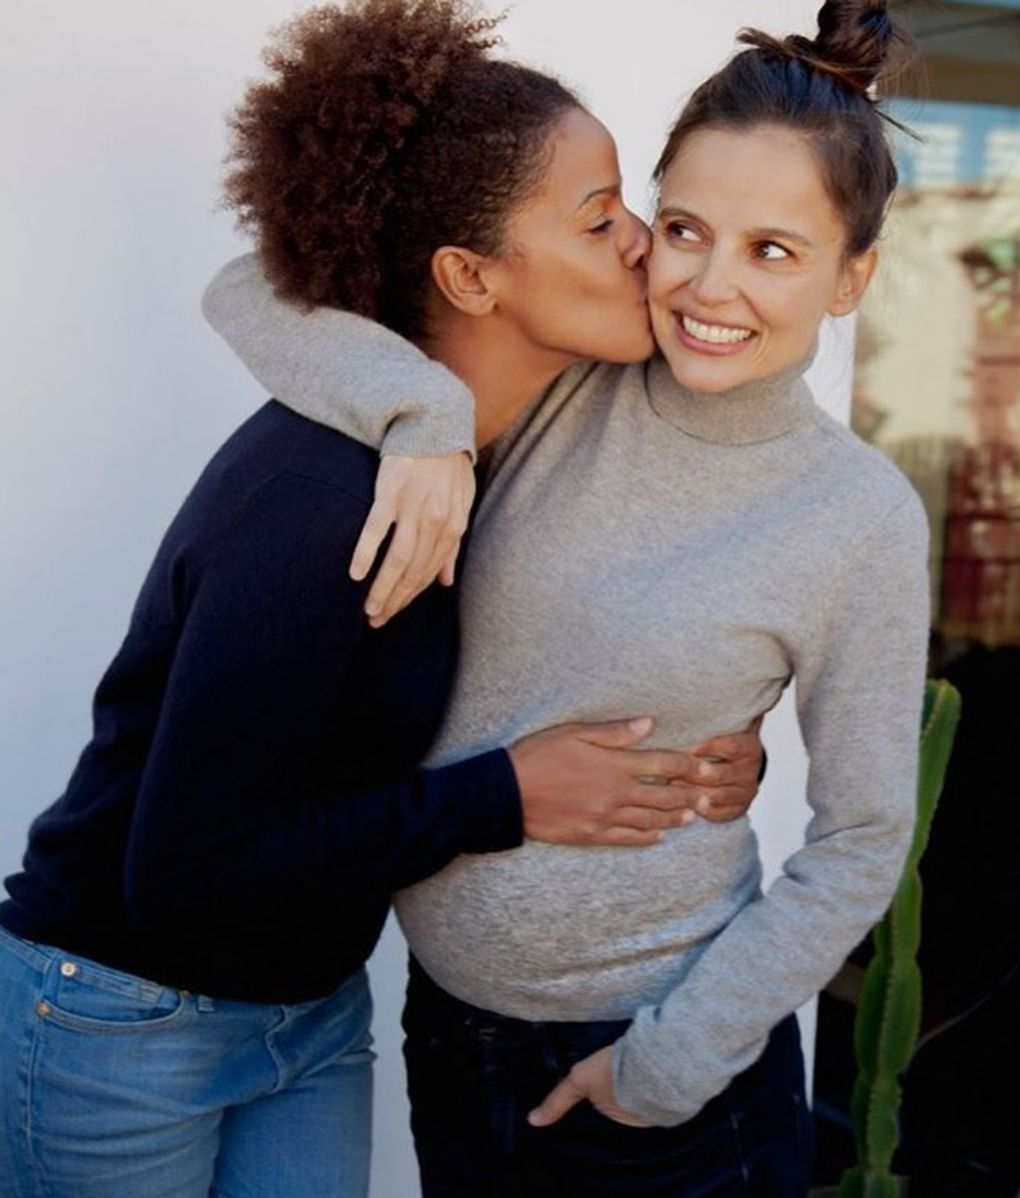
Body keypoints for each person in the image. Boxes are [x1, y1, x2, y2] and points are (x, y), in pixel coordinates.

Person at [0, 4, 767, 1197]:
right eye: (598, 214)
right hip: (123, 1014)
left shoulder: (500, 442)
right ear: (465, 274)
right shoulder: (315, 504)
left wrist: (722, 741)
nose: (639, 243)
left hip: (309, 1013)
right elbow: (185, 869)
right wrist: (502, 796)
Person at [203, 0, 930, 1194]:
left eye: (774, 251)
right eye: (684, 227)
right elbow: (249, 287)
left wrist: (667, 1067)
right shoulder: (570, 372)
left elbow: (860, 840)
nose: (709, 284)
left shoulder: (853, 517)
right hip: (449, 1032)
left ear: (853, 277)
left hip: (667, 1083)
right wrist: (422, 419)